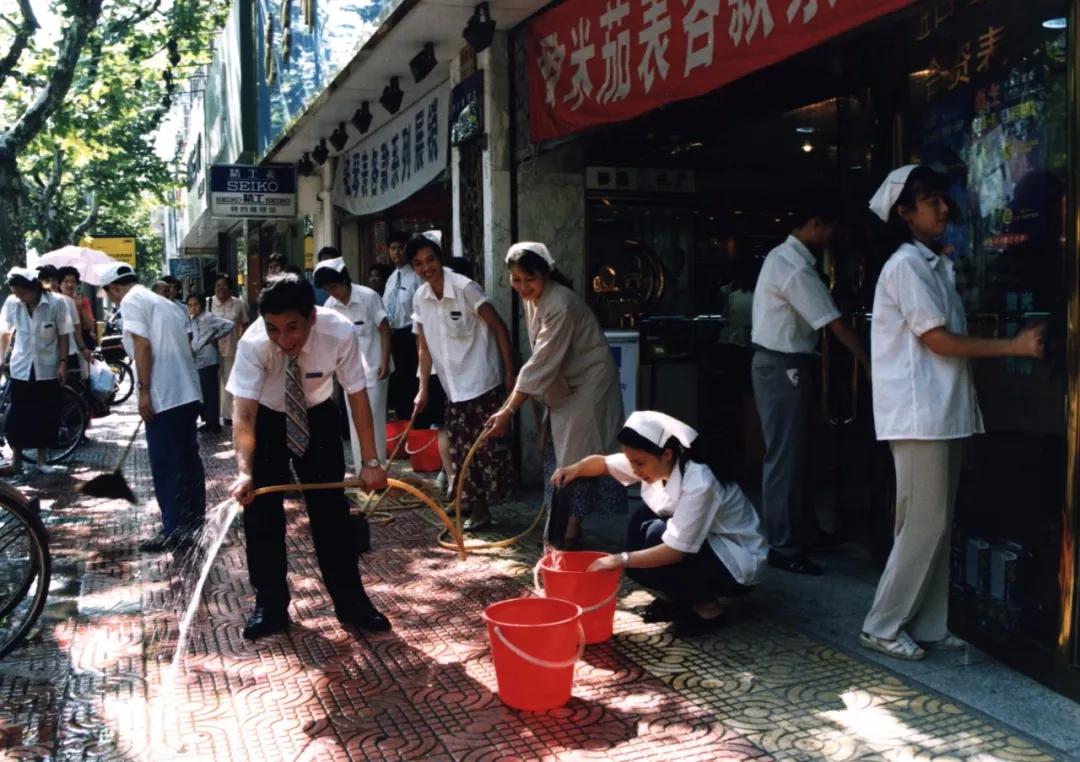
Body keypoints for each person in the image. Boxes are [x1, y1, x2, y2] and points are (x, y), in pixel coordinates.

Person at [859, 166, 1044, 661]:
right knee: (922, 524)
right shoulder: (906, 266)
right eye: (930, 201)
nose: (942, 208)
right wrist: (1014, 347)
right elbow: (937, 341)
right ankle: (881, 623)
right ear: (904, 213)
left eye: (941, 199)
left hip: (940, 413)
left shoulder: (931, 264)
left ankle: (928, 625)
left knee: (936, 522)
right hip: (921, 417)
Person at [226, 274, 390, 640]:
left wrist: (371, 462)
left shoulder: (338, 331)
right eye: (273, 329)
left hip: (317, 415)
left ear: (311, 317)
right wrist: (244, 472)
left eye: (292, 328)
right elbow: (244, 414)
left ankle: (351, 602)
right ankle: (270, 605)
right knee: (262, 514)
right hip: (267, 419)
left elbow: (357, 396)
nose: (283, 340)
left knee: (331, 513)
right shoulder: (254, 344)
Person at [556, 411, 767, 636]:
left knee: (654, 535)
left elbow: (676, 551)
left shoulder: (700, 481)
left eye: (639, 464)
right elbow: (603, 464)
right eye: (631, 463)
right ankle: (680, 600)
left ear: (666, 454)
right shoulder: (652, 461)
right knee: (642, 526)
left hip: (737, 561)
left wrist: (620, 559)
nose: (634, 470)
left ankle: (709, 611)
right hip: (706, 543)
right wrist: (574, 469)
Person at [750, 188, 869, 576]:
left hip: (783, 363)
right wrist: (867, 361)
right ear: (816, 224)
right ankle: (784, 546)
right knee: (785, 456)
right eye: (830, 227)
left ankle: (802, 532)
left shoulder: (782, 257)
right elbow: (833, 323)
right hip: (785, 364)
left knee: (796, 452)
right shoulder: (796, 267)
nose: (833, 235)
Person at [487, 242, 626, 548]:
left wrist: (508, 411)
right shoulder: (534, 298)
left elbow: (539, 365)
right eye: (516, 279)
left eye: (529, 279)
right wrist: (537, 421)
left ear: (546, 273)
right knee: (556, 454)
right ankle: (560, 526)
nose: (522, 287)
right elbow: (542, 364)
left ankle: (568, 531)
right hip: (562, 386)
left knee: (575, 460)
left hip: (589, 385)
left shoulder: (561, 303)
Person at [409, 232, 517, 530]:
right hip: (452, 387)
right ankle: (475, 507)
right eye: (418, 263)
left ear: (439, 258)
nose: (426, 267)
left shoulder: (465, 287)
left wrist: (510, 374)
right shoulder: (420, 298)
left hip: (483, 381)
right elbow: (423, 345)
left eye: (430, 260)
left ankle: (481, 508)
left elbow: (498, 326)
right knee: (460, 451)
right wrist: (422, 388)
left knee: (484, 451)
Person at [97, 263, 206, 552]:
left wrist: (144, 391)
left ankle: (174, 530)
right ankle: (193, 522)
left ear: (114, 288)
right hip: (186, 392)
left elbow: (142, 345)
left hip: (164, 395)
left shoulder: (131, 300)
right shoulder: (164, 302)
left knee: (167, 464)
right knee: (186, 459)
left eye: (110, 294)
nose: (112, 300)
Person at [313, 256, 392, 463]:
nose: (332, 293)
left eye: (334, 286)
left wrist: (385, 360)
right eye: (327, 289)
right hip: (350, 375)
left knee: (374, 420)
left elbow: (384, 329)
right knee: (356, 422)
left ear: (345, 280)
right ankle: (362, 470)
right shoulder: (330, 305)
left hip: (375, 370)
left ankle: (379, 468)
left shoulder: (368, 297)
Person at [0, 267, 74, 476]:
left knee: (45, 414)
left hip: (47, 367)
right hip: (21, 367)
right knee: (18, 416)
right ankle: (16, 462)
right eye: (15, 293)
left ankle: (42, 461)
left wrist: (63, 362)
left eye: (22, 293)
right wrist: (1, 359)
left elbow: (64, 334)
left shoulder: (56, 303)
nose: (19, 297)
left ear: (33, 289)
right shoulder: (13, 303)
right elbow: (4, 333)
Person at [382, 230, 422, 421]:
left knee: (411, 381)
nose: (396, 252)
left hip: (411, 335)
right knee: (397, 382)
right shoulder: (391, 279)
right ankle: (402, 419)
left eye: (400, 248)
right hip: (392, 336)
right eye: (392, 248)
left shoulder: (416, 277)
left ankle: (415, 423)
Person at [187, 293, 235, 434]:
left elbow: (229, 325)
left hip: (208, 359)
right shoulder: (193, 319)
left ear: (201, 304)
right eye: (190, 305)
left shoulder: (208, 317)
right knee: (203, 392)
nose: (193, 307)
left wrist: (214, 338)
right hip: (198, 358)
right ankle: (208, 421)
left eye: (195, 304)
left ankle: (214, 423)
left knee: (210, 392)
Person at [210, 274, 249, 426]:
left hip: (232, 349)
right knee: (214, 383)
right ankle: (212, 416)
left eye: (224, 285)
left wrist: (242, 341)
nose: (221, 288)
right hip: (211, 349)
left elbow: (245, 323)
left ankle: (228, 415)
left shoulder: (239, 304)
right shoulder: (208, 303)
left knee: (230, 382)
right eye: (217, 285)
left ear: (230, 287)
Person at [54, 266, 93, 388]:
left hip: (75, 349)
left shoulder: (80, 302)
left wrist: (80, 309)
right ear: (59, 284)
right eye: (66, 281)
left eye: (73, 281)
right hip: (57, 352)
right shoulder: (54, 302)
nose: (70, 285)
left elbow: (88, 325)